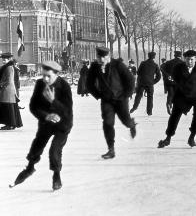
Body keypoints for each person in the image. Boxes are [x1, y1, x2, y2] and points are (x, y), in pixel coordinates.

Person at [10, 61, 72, 190]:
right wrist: (46, 116)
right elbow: (33, 106)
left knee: (54, 150)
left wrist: (53, 101)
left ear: (56, 74)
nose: (45, 79)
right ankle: (30, 167)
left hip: (63, 125)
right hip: (46, 123)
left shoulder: (64, 86)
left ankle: (56, 176)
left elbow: (67, 111)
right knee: (37, 144)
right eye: (43, 75)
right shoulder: (40, 84)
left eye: (48, 76)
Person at [86, 46, 136, 159]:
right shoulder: (94, 66)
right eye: (99, 57)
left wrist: (126, 94)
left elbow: (130, 79)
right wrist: (97, 95)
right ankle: (111, 149)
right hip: (107, 100)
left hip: (121, 99)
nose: (101, 60)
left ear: (108, 56)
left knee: (125, 121)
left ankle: (131, 124)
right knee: (108, 123)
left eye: (104, 57)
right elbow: (89, 83)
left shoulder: (117, 65)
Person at [158, 50, 196, 148]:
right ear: (184, 59)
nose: (189, 62)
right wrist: (171, 97)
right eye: (187, 59)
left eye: (191, 59)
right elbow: (175, 81)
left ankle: (191, 137)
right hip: (183, 95)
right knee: (175, 115)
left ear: (195, 59)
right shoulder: (178, 68)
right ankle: (168, 137)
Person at [0, 53, 22, 130]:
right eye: (2, 59)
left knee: (8, 108)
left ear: (9, 59)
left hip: (7, 90)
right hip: (8, 90)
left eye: (4, 59)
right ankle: (12, 124)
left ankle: (9, 124)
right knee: (11, 107)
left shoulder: (8, 67)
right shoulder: (8, 66)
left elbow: (9, 80)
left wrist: (1, 85)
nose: (3, 61)